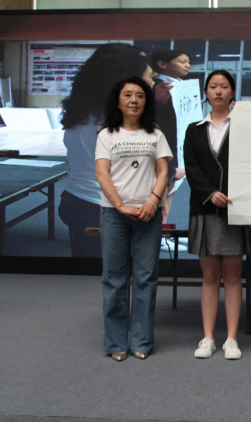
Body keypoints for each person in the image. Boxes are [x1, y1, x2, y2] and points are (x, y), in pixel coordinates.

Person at [95, 76, 172, 361]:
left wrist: (153, 201)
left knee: (145, 278)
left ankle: (141, 341)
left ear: (146, 102)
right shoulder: (107, 135)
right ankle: (116, 343)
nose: (134, 100)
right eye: (128, 95)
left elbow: (163, 172)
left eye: (139, 95)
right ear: (118, 101)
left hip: (148, 214)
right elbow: (102, 173)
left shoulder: (155, 135)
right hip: (114, 215)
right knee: (114, 279)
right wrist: (120, 205)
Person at [184, 70, 251, 361]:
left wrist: (246, 119)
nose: (218, 91)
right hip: (204, 208)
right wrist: (210, 192)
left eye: (224, 86)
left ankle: (231, 338)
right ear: (206, 92)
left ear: (232, 92)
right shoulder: (194, 129)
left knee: (232, 276)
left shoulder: (244, 126)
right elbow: (191, 168)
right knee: (210, 276)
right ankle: (207, 337)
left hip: (236, 208)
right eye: (213, 86)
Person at [59, 45, 151, 257]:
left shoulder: (83, 111)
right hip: (105, 207)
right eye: (148, 77)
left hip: (79, 199)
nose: (152, 83)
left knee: (88, 263)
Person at [150, 50, 191, 250]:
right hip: (164, 144)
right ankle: (156, 236)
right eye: (182, 61)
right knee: (162, 190)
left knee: (173, 187)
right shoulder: (158, 87)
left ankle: (164, 232)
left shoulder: (183, 85)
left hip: (178, 143)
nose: (187, 65)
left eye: (188, 62)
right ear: (162, 64)